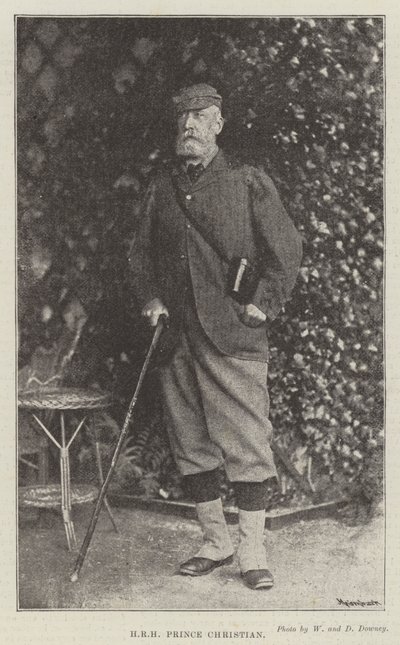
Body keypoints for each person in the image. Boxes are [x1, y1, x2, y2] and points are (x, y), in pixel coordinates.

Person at [128, 83, 302, 590]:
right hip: (177, 338)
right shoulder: (162, 189)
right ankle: (215, 542)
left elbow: (287, 249)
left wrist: (262, 303)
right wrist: (151, 298)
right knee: (190, 443)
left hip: (233, 335)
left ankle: (252, 549)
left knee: (247, 442)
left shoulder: (247, 182)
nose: (189, 126)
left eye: (201, 117)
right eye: (183, 119)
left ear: (219, 125)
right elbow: (139, 255)